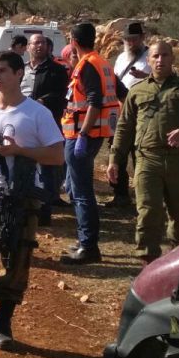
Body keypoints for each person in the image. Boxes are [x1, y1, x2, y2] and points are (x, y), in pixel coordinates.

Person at [0, 52, 65, 348]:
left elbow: (57, 155)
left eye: (3, 71)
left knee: (16, 262)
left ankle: (3, 324)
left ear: (20, 74)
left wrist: (20, 151)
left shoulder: (37, 113)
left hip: (22, 198)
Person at [108, 41, 179, 263]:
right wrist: (114, 160)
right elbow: (124, 128)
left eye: (165, 55)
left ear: (172, 58)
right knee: (148, 213)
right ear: (148, 60)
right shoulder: (137, 91)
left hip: (178, 161)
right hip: (147, 160)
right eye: (155, 56)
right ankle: (148, 263)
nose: (160, 60)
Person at [60, 23, 122, 265]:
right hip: (90, 134)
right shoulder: (102, 61)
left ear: (73, 40)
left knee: (82, 193)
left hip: (82, 136)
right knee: (77, 191)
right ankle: (84, 240)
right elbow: (121, 92)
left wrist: (83, 135)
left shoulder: (87, 64)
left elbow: (95, 101)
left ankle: (88, 246)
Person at [21, 33, 70, 224]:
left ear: (48, 48)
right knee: (25, 166)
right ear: (28, 48)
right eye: (35, 43)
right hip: (23, 124)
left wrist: (42, 101)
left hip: (47, 123)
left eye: (42, 43)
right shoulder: (21, 70)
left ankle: (45, 211)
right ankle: (26, 207)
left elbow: (61, 95)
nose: (39, 46)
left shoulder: (57, 70)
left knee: (47, 169)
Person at [108, 22, 151, 207]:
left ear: (142, 38)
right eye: (127, 39)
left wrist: (146, 77)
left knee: (140, 154)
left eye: (134, 39)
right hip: (119, 111)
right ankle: (120, 195)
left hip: (143, 112)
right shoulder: (120, 58)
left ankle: (144, 197)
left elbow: (166, 80)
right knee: (117, 153)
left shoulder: (152, 57)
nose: (131, 43)